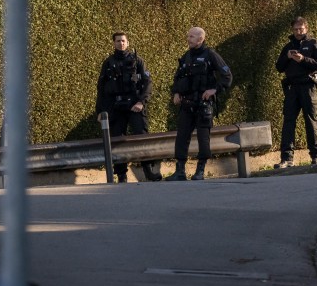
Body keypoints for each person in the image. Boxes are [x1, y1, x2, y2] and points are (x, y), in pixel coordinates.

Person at [166, 27, 233, 181]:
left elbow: (227, 76)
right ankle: (180, 171)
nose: (188, 39)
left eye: (192, 36)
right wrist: (176, 93)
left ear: (200, 39)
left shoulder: (211, 55)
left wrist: (214, 90)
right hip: (187, 103)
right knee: (182, 137)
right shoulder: (186, 56)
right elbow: (178, 77)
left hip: (203, 105)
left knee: (203, 139)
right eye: (188, 35)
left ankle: (200, 170)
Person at [96, 32, 161, 182]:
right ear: (114, 43)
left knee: (141, 136)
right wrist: (100, 111)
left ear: (128, 43)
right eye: (118, 41)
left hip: (135, 105)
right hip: (116, 107)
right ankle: (121, 175)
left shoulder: (137, 61)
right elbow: (101, 88)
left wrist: (141, 102)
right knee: (117, 140)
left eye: (123, 41)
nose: (121, 43)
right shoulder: (108, 62)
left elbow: (147, 83)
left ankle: (148, 171)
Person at [274, 16, 317, 168]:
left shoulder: (314, 44)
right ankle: (286, 158)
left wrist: (303, 59)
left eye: (301, 29)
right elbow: (279, 67)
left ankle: (316, 156)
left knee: (311, 121)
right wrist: (288, 57)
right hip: (291, 88)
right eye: (296, 29)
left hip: (308, 86)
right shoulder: (288, 47)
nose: (298, 31)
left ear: (306, 28)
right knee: (288, 122)